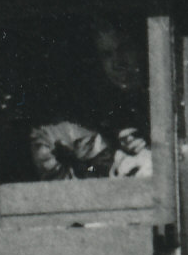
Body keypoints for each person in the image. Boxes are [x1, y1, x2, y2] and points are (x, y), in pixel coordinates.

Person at [30, 21, 154, 179]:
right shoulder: (97, 108)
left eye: (125, 49)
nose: (117, 63)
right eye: (107, 54)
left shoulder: (163, 95)